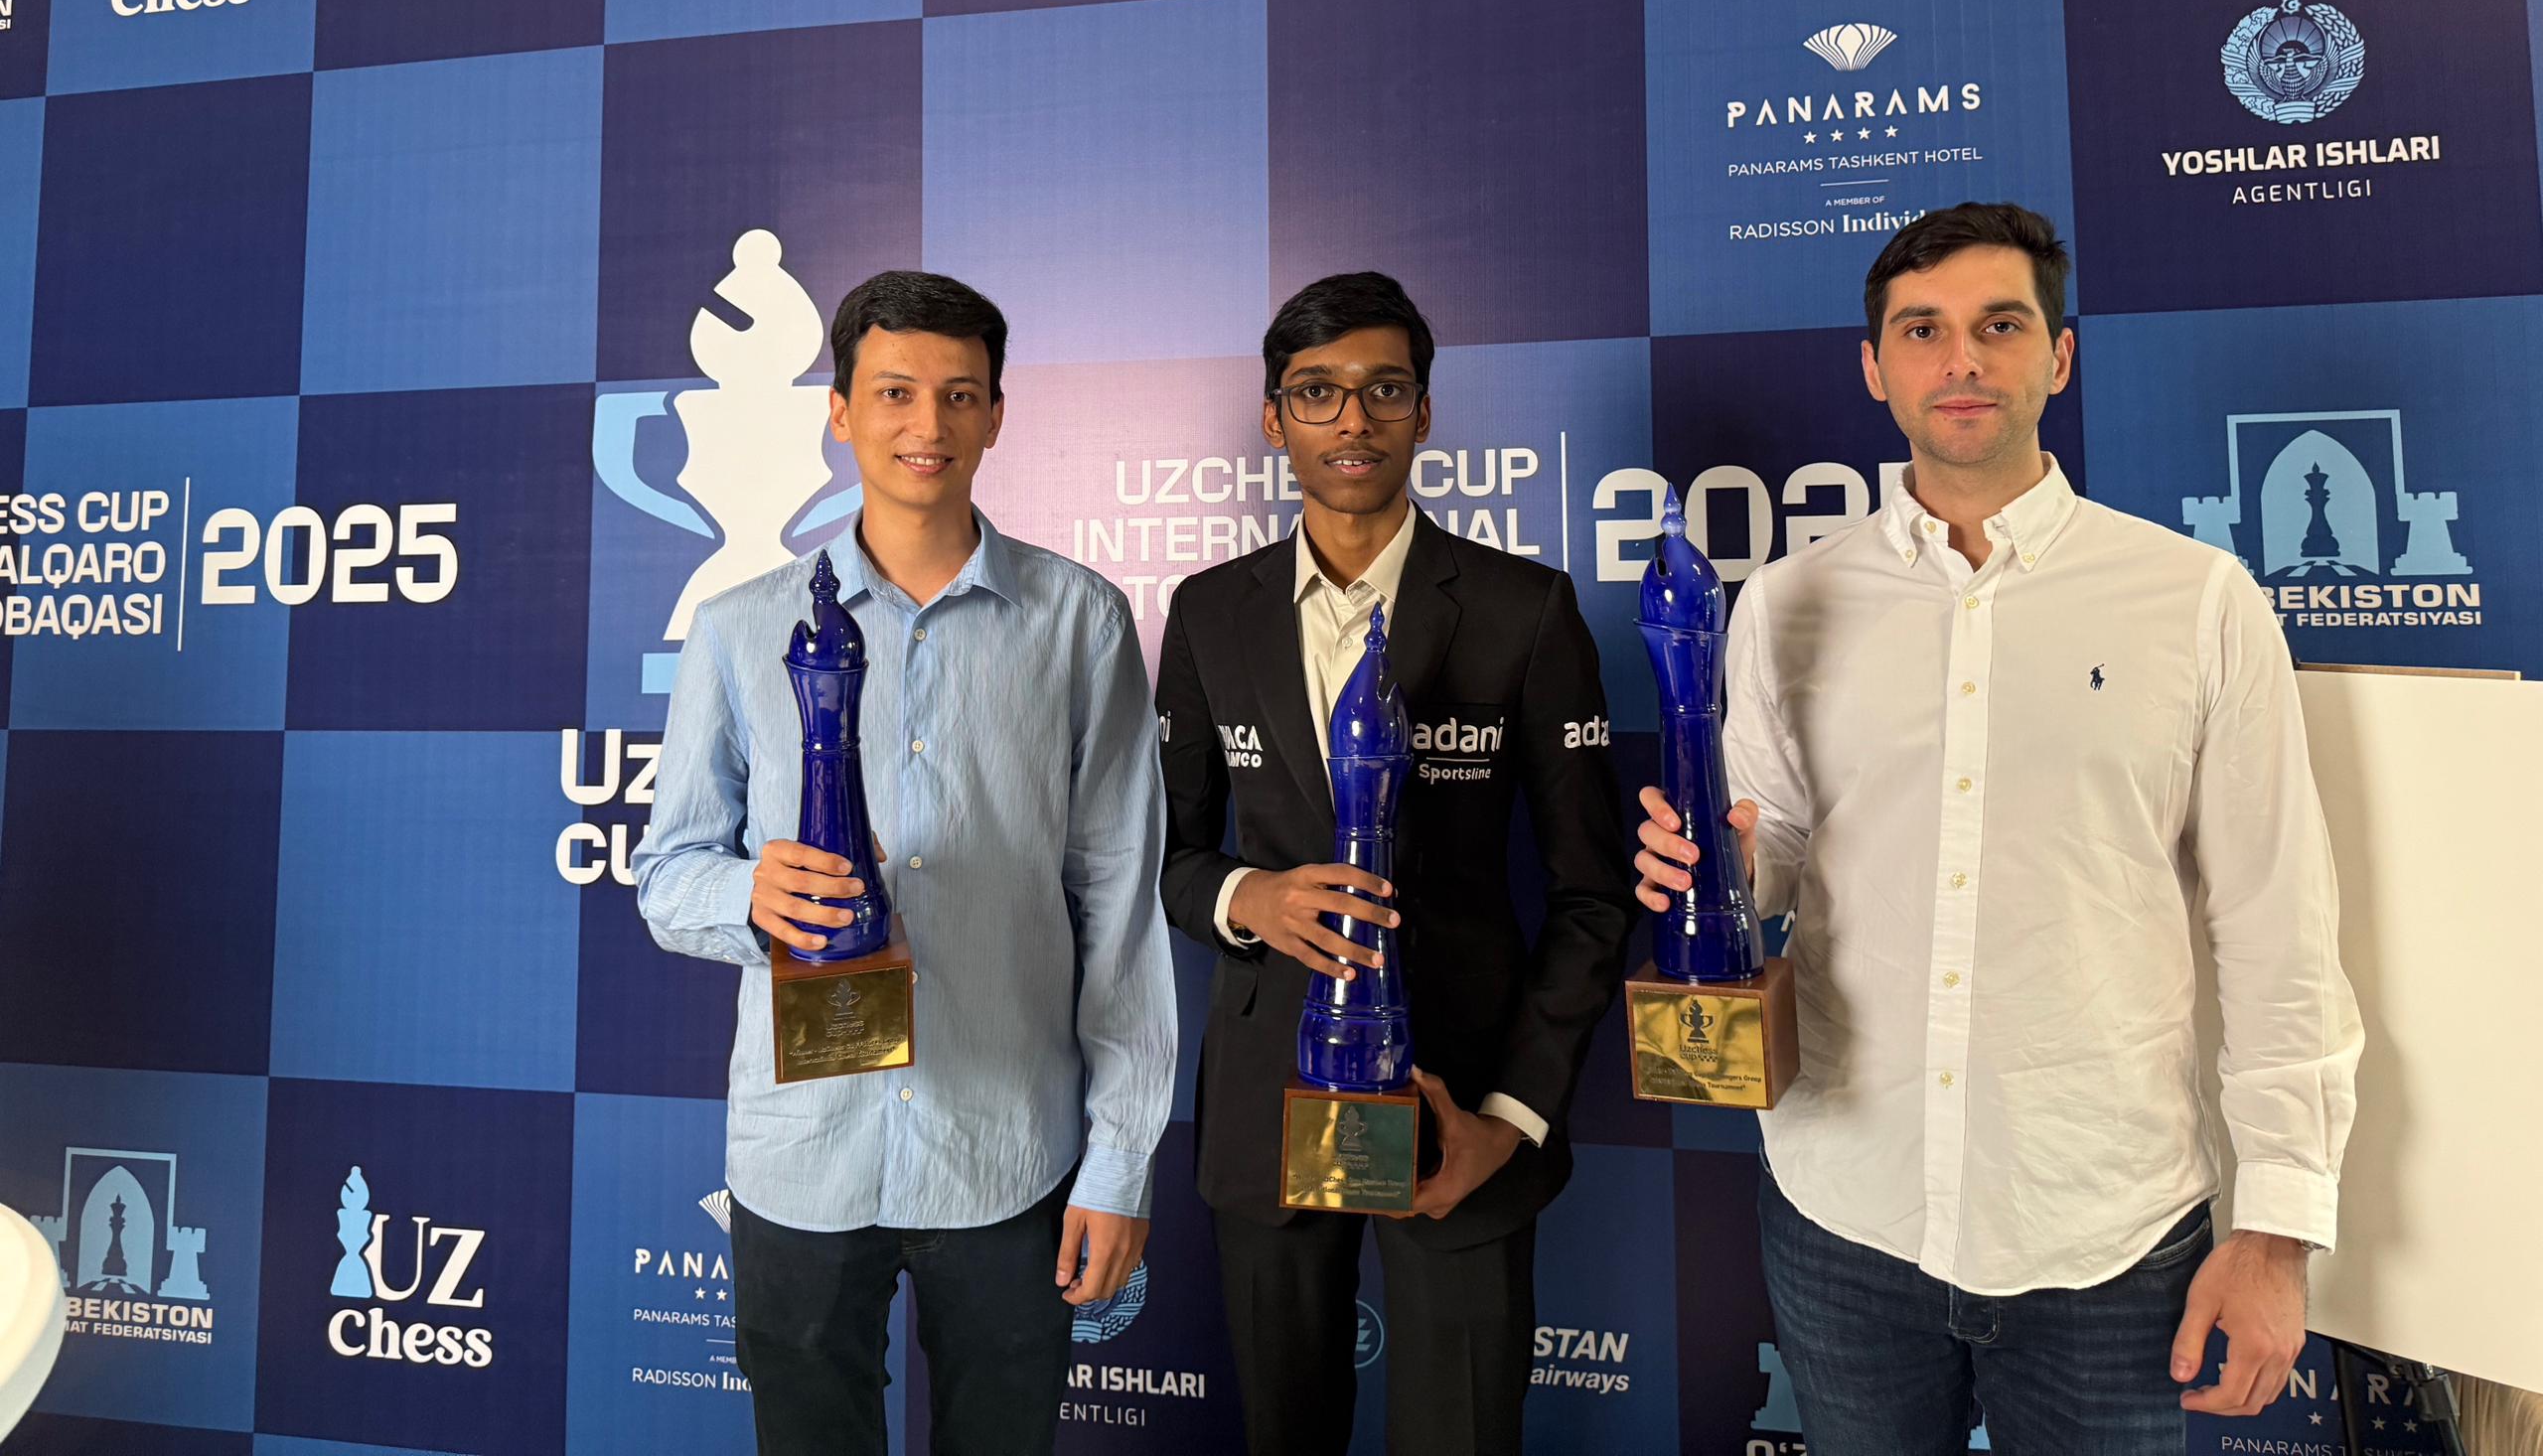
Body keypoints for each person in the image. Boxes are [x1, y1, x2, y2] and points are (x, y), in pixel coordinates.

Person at [1633, 204, 2364, 1454]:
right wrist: (1724, 866)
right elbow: (1782, 847)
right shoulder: (1787, 601)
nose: (1960, 359)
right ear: (1875, 368)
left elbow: (2276, 925)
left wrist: (2278, 1228)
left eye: (1999, 325)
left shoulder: (2194, 601)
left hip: (2105, 1230)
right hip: (1845, 1215)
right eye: (1921, 330)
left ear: (2058, 357)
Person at [634, 269, 1176, 1456]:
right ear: (839, 411)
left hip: (1009, 1149)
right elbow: (666, 875)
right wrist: (751, 895)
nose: (927, 424)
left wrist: (1120, 1162)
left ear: (996, 414)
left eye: (958, 395)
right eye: (893, 392)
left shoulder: (1079, 620)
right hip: (801, 1152)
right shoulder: (737, 627)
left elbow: (1120, 906)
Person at [1156, 271, 1636, 1456]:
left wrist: (1510, 1117)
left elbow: (1591, 896)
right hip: (1268, 1104)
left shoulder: (1525, 610)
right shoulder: (1209, 613)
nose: (1351, 419)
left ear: (1424, 413)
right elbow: (1168, 857)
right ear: (1273, 419)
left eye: (1383, 390)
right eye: (1316, 392)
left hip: (1461, 1106)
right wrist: (1251, 897)